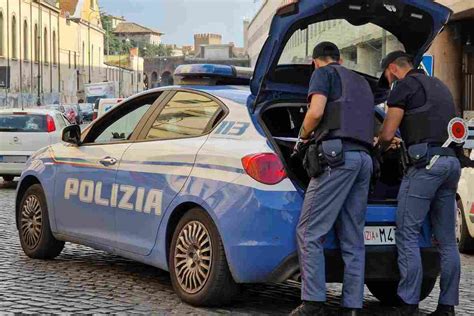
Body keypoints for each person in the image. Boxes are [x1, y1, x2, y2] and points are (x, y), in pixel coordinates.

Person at [290, 42, 374, 316]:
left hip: (337, 160)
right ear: (339, 58)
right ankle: (352, 306)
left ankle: (313, 302)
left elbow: (315, 112)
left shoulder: (323, 74)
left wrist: (302, 136)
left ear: (316, 61)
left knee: (309, 231)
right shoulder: (361, 82)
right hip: (364, 160)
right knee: (353, 238)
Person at [377, 51, 461, 316]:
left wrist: (380, 144)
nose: (389, 82)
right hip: (450, 164)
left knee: (407, 233)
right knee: (447, 242)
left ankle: (407, 304)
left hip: (426, 166)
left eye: (387, 77)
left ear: (393, 69)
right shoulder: (439, 85)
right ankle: (447, 307)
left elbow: (388, 132)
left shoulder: (404, 86)